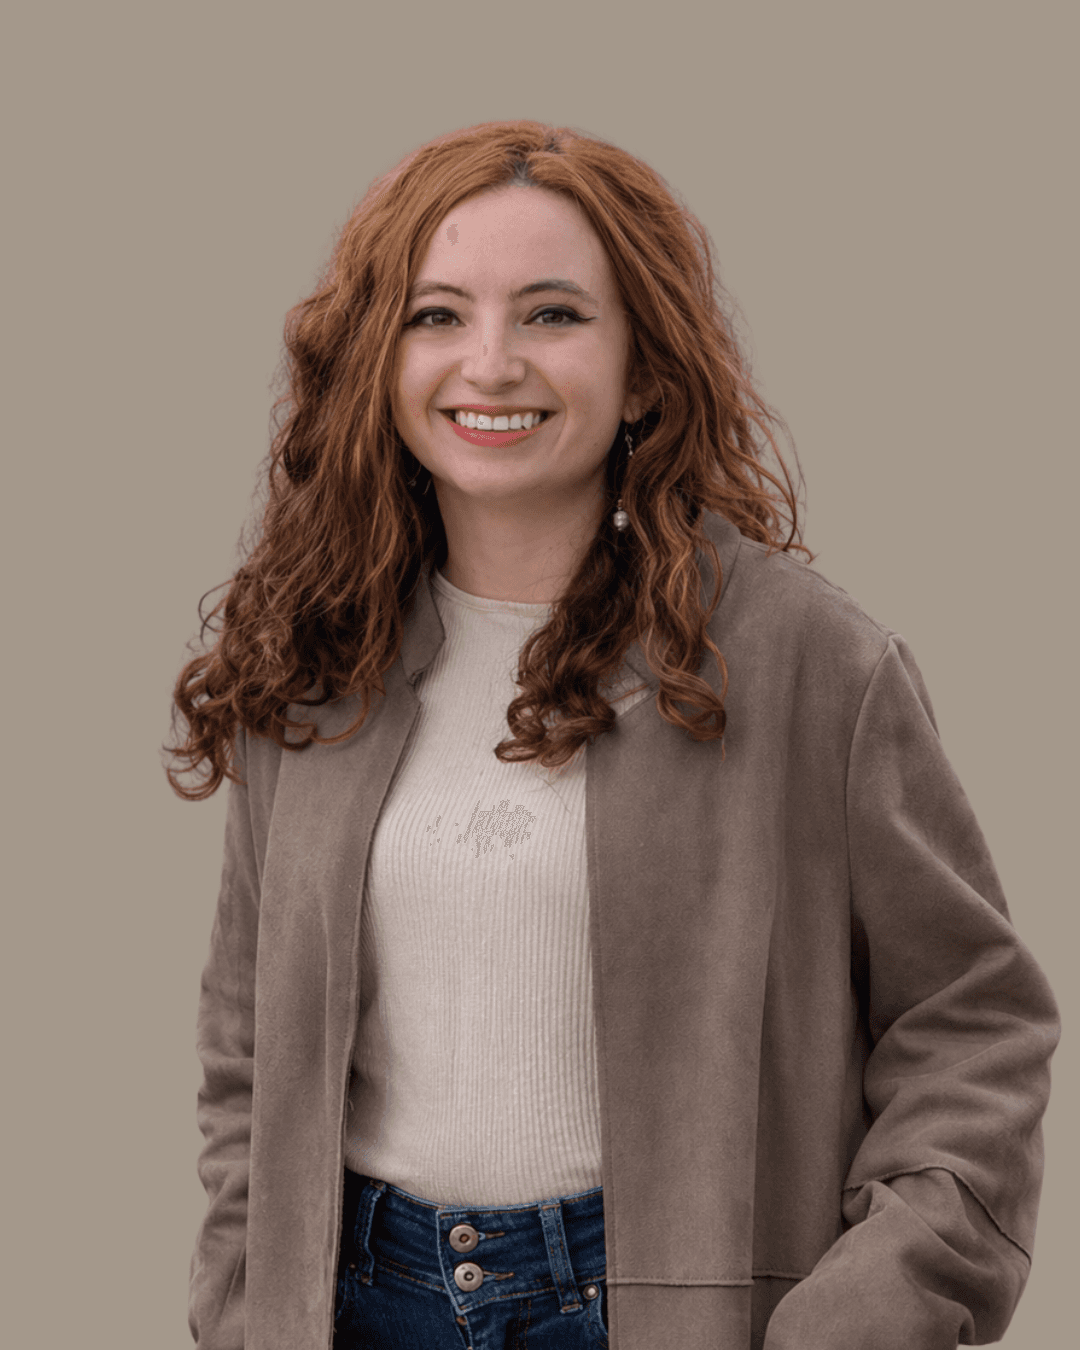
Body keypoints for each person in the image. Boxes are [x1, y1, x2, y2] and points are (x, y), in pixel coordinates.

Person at [167, 121, 1059, 1350]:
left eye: (552, 315)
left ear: (642, 369)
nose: (491, 363)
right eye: (436, 315)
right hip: (356, 1304)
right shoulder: (319, 658)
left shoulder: (809, 662)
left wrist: (868, 1312)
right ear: (378, 357)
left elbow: (975, 1024)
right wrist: (240, 1305)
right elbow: (243, 1050)